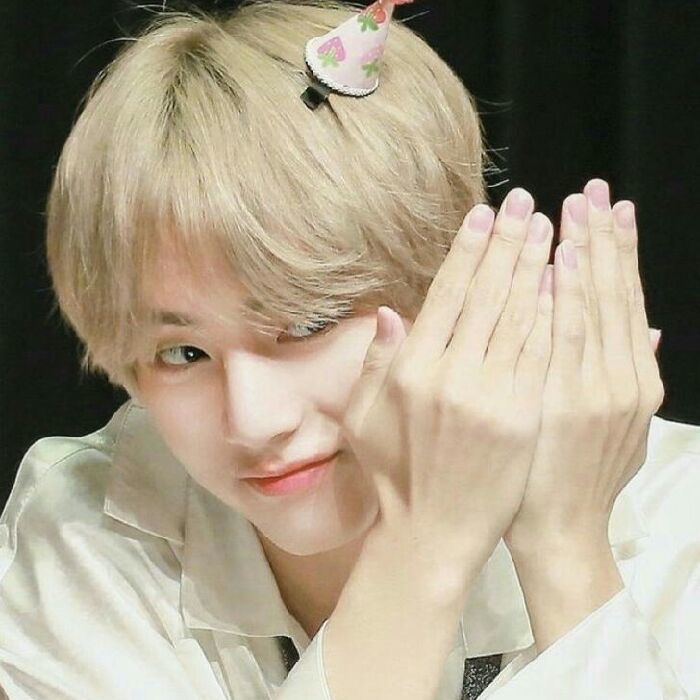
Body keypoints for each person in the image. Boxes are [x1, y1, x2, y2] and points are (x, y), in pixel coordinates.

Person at [0, 1, 698, 698]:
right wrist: (422, 545)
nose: (256, 420)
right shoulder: (82, 528)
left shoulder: (677, 511)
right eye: (183, 353)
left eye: (308, 323)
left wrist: (567, 551)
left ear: (462, 275)